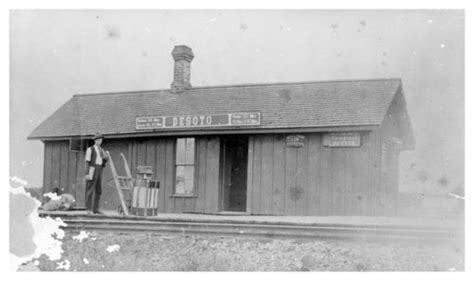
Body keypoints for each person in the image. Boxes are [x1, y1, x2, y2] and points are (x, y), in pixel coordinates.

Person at [85, 133, 108, 214]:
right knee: (90, 189)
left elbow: (104, 161)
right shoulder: (90, 149)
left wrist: (106, 157)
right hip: (92, 169)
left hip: (99, 169)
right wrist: (87, 173)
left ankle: (95, 209)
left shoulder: (102, 150)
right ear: (95, 141)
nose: (99, 142)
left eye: (101, 140)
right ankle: (88, 209)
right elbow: (87, 162)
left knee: (98, 190)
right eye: (98, 140)